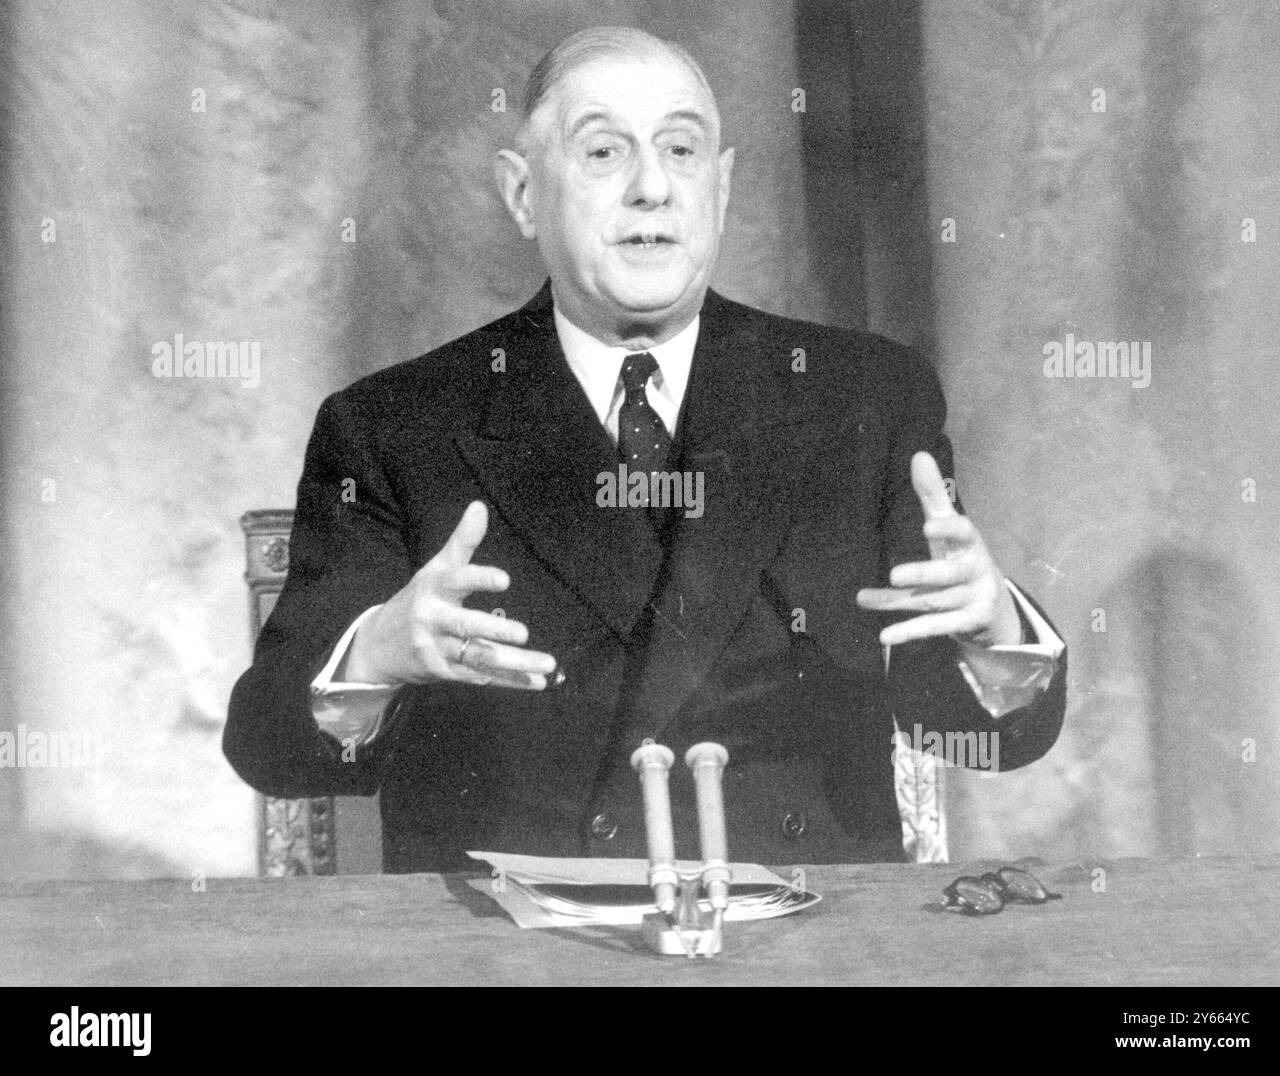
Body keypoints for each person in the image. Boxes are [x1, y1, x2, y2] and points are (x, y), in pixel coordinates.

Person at [224, 25, 1066, 874]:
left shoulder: (866, 398)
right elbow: (269, 746)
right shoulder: (392, 425)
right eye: (602, 152)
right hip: (511, 954)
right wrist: (377, 654)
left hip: (804, 942)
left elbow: (972, 733)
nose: (653, 188)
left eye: (681, 149)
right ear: (522, 194)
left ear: (724, 187)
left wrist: (994, 633)